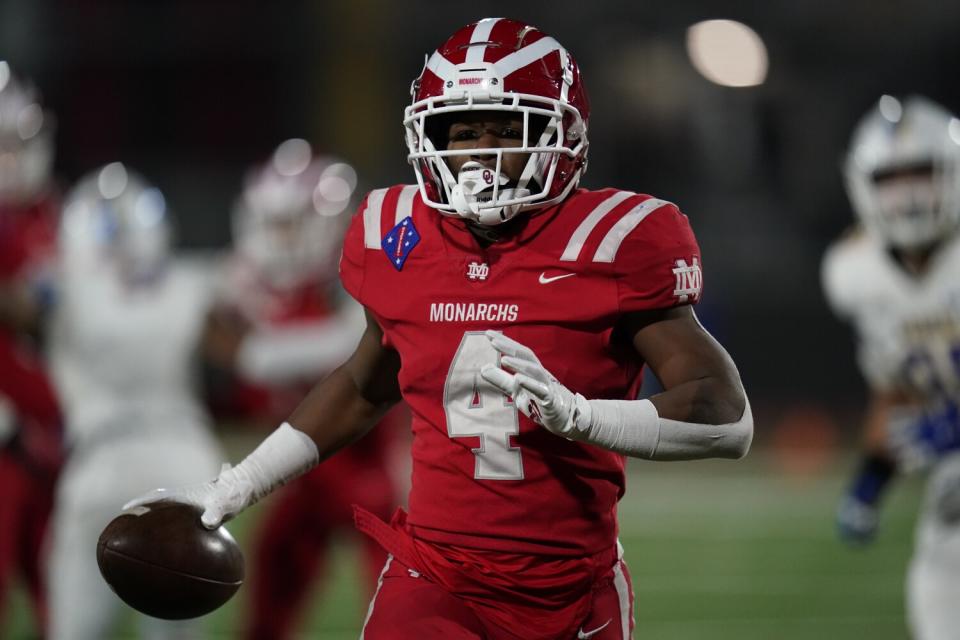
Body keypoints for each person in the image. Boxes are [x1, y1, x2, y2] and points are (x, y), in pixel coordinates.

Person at [127, 18, 752, 639]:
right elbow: (363, 386)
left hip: (572, 585)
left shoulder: (615, 241)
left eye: (508, 128)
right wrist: (235, 485)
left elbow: (726, 417)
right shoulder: (397, 234)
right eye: (462, 130)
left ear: (563, 135)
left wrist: (585, 418)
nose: (480, 150)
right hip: (436, 577)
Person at [202, 139, 407, 639]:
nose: (280, 238)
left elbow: (345, 348)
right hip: (304, 468)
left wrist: (256, 354)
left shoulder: (360, 263)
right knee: (266, 604)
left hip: (372, 466)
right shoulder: (248, 281)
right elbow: (208, 323)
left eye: (290, 223)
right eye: (272, 224)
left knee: (402, 609)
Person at [41, 163, 222, 640]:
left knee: (76, 632)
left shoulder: (58, 287)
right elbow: (252, 357)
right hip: (187, 465)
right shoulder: (191, 281)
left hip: (101, 459)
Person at [825, 95, 960, 640]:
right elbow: (897, 391)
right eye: (892, 180)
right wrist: (871, 479)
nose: (908, 196)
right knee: (938, 595)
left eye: (921, 175)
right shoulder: (855, 273)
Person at [0, 61, 63, 638]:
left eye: (17, 142)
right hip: (7, 440)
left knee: (62, 599)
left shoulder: (51, 213)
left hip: (49, 439)